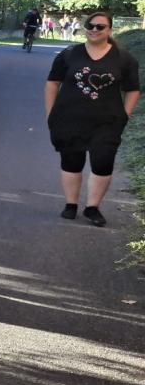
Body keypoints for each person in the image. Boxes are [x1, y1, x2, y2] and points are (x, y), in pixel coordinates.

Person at [45, 12, 140, 227]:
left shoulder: (124, 59)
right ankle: (71, 205)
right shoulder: (69, 54)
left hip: (107, 123)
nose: (94, 29)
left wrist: (125, 115)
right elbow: (52, 83)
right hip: (69, 119)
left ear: (110, 30)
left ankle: (92, 208)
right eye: (91, 25)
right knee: (71, 162)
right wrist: (51, 113)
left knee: (103, 163)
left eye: (100, 26)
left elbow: (133, 90)